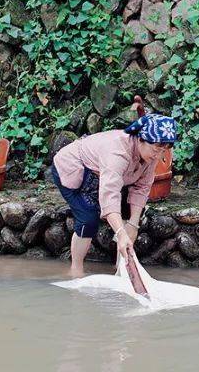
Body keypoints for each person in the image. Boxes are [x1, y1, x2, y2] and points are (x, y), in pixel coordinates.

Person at [50, 114, 177, 277]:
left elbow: (142, 187)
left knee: (127, 214)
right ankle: (75, 270)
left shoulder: (150, 154)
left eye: (163, 151)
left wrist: (133, 224)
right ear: (141, 139)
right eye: (156, 150)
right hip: (72, 168)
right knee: (88, 217)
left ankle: (121, 270)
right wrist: (120, 232)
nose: (159, 156)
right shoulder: (117, 152)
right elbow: (109, 196)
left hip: (107, 174)